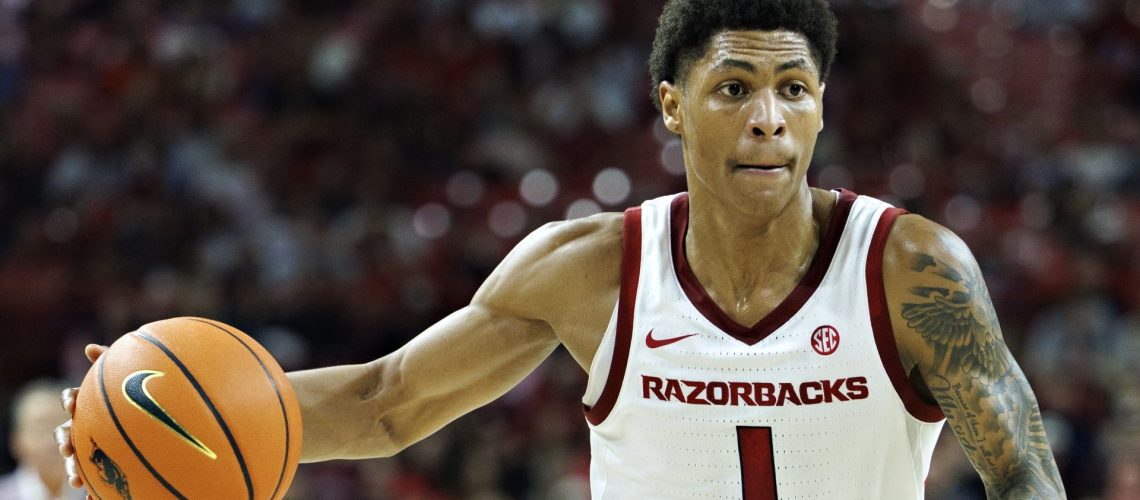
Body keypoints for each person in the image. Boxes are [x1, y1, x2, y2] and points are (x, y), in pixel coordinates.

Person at [58, 0, 1065, 497]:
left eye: (793, 90)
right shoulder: (590, 267)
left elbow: (1024, 471)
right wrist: (158, 429)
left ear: (822, 107)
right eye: (733, 89)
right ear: (673, 106)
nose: (769, 119)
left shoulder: (909, 266)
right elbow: (385, 400)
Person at [1, 379, 86, 500]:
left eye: (63, 426)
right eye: (41, 430)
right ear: (16, 441)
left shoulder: (104, 493)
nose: (54, 442)